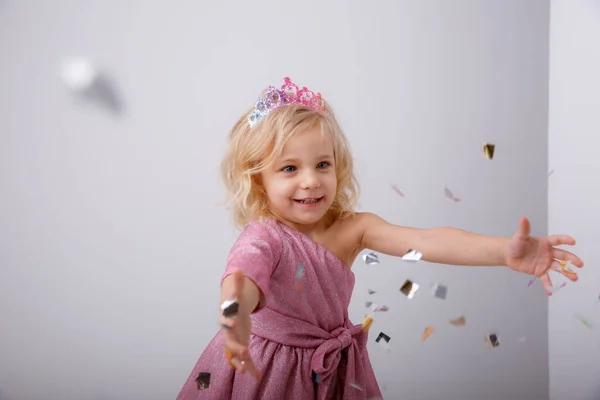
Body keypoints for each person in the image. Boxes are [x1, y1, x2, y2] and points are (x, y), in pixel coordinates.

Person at [176, 77, 583, 400]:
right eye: (289, 168)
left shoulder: (354, 228)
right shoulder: (265, 236)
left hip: (335, 372)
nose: (311, 181)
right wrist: (235, 318)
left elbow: (427, 240)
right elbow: (242, 278)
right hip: (270, 374)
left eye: (322, 164)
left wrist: (503, 251)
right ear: (258, 180)